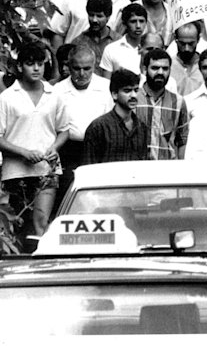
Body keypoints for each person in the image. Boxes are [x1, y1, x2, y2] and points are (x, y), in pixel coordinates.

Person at [0, 43, 69, 241]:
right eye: (31, 64)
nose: (37, 68)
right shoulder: (7, 97)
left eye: (40, 63)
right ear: (20, 66)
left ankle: (43, 259)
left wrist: (54, 147)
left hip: (46, 169)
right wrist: (24, 152)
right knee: (14, 226)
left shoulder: (54, 94)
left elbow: (64, 130)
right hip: (15, 172)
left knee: (42, 223)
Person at [53, 44, 112, 200]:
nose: (81, 73)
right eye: (76, 68)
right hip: (69, 151)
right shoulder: (57, 90)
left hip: (100, 150)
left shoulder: (106, 88)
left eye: (87, 68)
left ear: (94, 66)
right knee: (69, 194)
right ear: (69, 66)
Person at [82, 69, 148, 164]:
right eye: (127, 91)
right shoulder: (98, 128)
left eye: (136, 90)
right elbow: (88, 167)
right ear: (114, 95)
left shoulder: (142, 127)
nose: (133, 95)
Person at [136, 48, 189, 159]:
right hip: (136, 165)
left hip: (167, 166)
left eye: (165, 68)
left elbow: (182, 140)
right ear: (145, 69)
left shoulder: (178, 102)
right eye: (155, 68)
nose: (160, 72)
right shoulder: (134, 99)